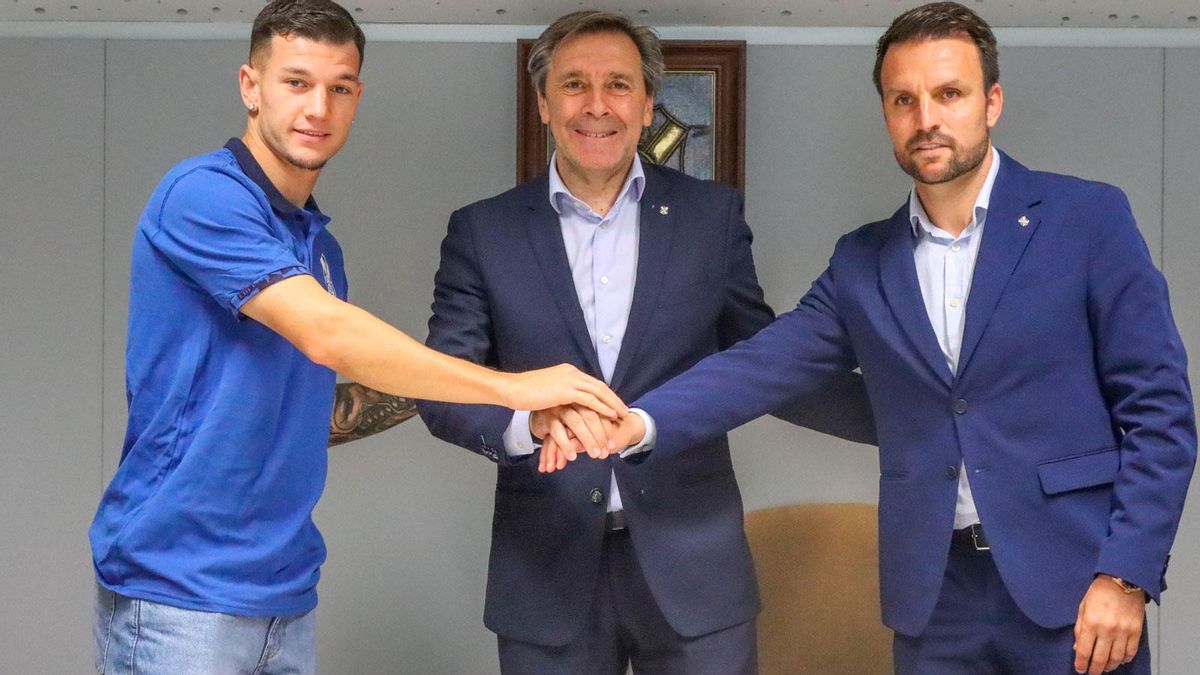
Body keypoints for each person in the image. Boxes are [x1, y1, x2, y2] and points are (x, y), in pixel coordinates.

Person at [558, 3, 1196, 673]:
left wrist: (1126, 574)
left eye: (950, 94)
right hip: (933, 600)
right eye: (904, 99)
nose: (927, 119)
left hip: (1076, 585)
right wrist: (635, 421)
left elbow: (1161, 415)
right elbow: (763, 364)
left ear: (992, 101)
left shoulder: (1088, 220)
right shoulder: (862, 262)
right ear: (888, 113)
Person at [89, 1, 624, 672]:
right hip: (176, 592)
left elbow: (321, 408)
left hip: (283, 591)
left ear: (357, 98)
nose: (318, 107)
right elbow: (326, 334)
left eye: (339, 87)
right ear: (250, 87)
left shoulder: (320, 247)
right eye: (296, 81)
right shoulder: (201, 195)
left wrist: (470, 391)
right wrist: (514, 386)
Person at [417, 10, 874, 673]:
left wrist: (903, 415)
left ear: (647, 103)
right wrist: (527, 424)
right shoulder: (482, 231)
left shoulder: (710, 217)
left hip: (698, 568)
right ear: (543, 102)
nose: (597, 105)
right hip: (545, 573)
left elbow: (766, 361)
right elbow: (445, 385)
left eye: (618, 85)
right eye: (574, 84)